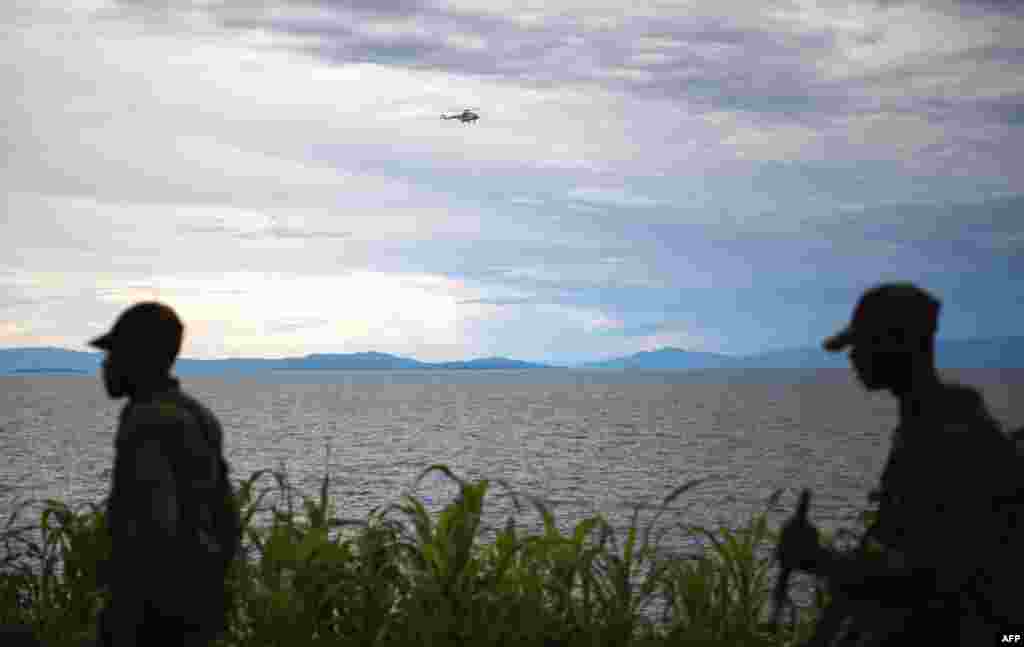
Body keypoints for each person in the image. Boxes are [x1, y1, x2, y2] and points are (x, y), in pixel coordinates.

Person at [777, 283, 1021, 645]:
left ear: (895, 343)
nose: (853, 356)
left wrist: (817, 559)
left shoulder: (948, 437)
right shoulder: (930, 424)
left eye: (862, 344)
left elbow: (929, 580)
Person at [90, 302, 238, 647]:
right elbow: (226, 518)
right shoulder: (197, 415)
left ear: (136, 358)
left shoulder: (147, 421)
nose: (105, 365)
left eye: (113, 354)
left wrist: (128, 617)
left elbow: (155, 528)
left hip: (154, 619)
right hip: (198, 607)